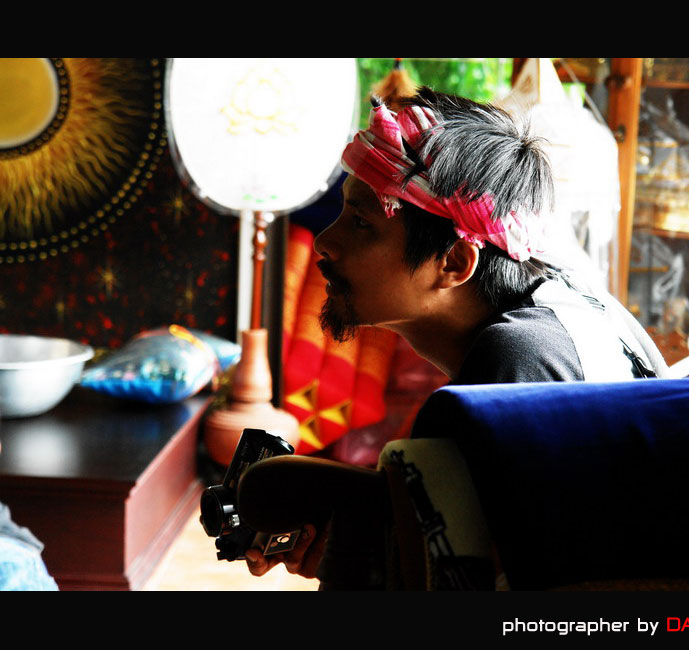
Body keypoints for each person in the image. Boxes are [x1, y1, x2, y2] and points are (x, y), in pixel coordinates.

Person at [245, 87, 666, 581]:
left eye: (360, 222)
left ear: (454, 262)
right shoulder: (576, 300)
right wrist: (359, 545)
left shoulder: (517, 366)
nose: (324, 241)